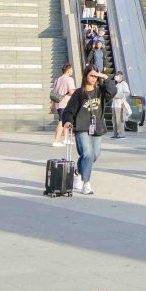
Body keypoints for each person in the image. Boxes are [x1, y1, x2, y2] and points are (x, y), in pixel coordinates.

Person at [60, 66, 115, 195]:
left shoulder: (101, 91)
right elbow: (69, 109)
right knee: (88, 153)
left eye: (95, 76)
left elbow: (112, 91)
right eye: (91, 75)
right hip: (81, 127)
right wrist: (67, 120)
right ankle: (86, 183)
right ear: (85, 76)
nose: (93, 78)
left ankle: (78, 172)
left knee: (94, 155)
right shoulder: (79, 93)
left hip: (97, 127)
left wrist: (104, 77)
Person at [50, 63, 76, 146]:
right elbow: (72, 92)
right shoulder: (69, 79)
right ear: (68, 70)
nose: (72, 71)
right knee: (61, 121)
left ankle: (65, 139)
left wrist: (52, 104)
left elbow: (53, 93)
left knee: (65, 121)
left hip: (58, 103)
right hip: (66, 103)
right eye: (71, 69)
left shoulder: (58, 79)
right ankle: (56, 141)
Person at [111, 70, 131, 139]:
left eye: (117, 75)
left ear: (121, 76)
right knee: (114, 119)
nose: (116, 77)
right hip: (114, 104)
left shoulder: (124, 84)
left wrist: (118, 96)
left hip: (119, 104)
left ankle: (121, 134)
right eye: (116, 75)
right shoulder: (116, 84)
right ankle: (115, 133)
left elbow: (127, 93)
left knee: (119, 119)